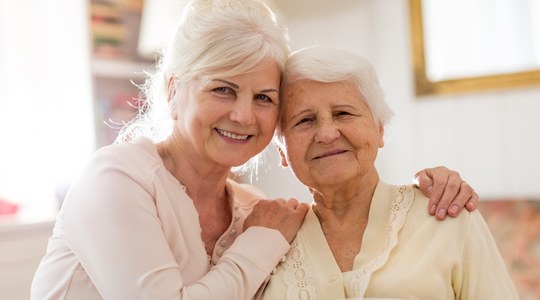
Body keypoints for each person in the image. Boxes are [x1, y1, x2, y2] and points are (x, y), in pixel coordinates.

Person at [31, 1, 479, 299]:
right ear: (173, 91)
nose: (245, 116)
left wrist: (435, 187)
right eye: (224, 90)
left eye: (263, 97)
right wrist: (260, 241)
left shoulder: (255, 211)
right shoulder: (116, 178)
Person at [261, 46, 519, 299]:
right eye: (304, 120)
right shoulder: (268, 241)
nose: (327, 134)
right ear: (281, 149)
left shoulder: (449, 215)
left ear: (380, 129)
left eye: (343, 113)